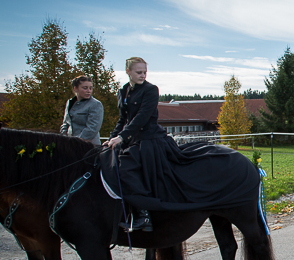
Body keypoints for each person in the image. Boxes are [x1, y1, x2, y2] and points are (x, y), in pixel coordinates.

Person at [102, 57, 259, 232]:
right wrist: (111, 138)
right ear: (128, 72)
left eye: (145, 72)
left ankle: (143, 214)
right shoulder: (123, 91)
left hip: (150, 141)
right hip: (132, 140)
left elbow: (142, 118)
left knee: (128, 170)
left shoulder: (151, 90)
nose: (143, 75)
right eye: (139, 72)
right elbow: (123, 119)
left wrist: (122, 137)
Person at [60, 75, 104, 146]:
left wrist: (75, 142)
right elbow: (66, 123)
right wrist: (64, 138)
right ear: (75, 88)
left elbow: (92, 129)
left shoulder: (95, 104)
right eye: (85, 88)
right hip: (69, 145)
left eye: (90, 88)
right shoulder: (70, 102)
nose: (89, 91)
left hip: (89, 146)